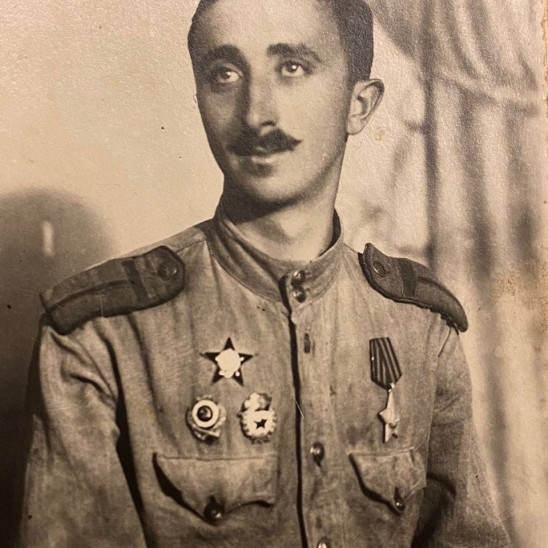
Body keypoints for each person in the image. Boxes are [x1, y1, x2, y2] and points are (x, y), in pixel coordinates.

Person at [19, 0, 510, 546]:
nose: (256, 115)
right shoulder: (101, 336)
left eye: (292, 67)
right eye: (224, 74)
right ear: (199, 98)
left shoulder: (421, 328)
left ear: (360, 104)